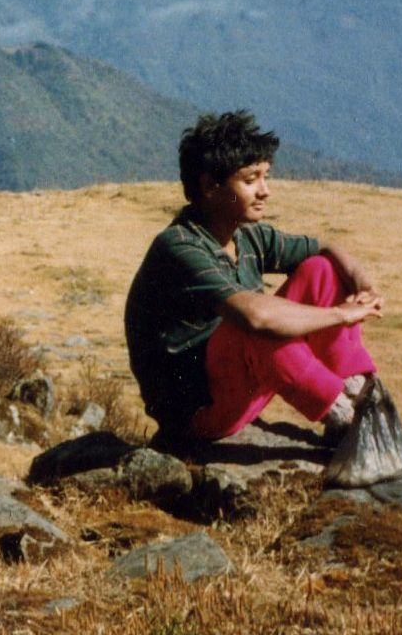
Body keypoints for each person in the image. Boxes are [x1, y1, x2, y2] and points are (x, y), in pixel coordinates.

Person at [124, 110, 385, 448]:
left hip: (238, 386)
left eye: (265, 176)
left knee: (321, 270)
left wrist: (363, 285)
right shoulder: (178, 247)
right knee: (257, 321)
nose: (265, 191)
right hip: (198, 412)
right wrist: (341, 315)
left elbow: (325, 247)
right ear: (209, 186)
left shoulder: (245, 236)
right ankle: (345, 417)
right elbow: (256, 318)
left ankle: (364, 401)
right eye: (251, 180)